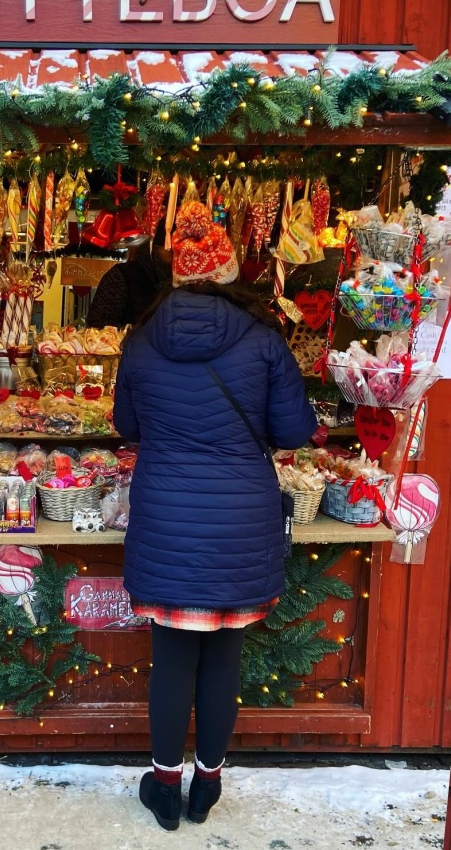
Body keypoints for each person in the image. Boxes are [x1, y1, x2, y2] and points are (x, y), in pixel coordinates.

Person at [112, 216, 316, 832]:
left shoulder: (142, 341)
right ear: (229, 272)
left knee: (172, 659)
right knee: (224, 658)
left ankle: (164, 791)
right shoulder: (263, 338)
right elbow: (295, 432)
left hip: (167, 511)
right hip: (240, 516)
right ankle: (208, 786)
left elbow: (127, 426)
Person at [86, 220, 171, 329]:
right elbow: (97, 323)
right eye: (169, 249)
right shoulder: (121, 277)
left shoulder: (182, 283)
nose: (174, 255)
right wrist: (136, 333)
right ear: (152, 248)